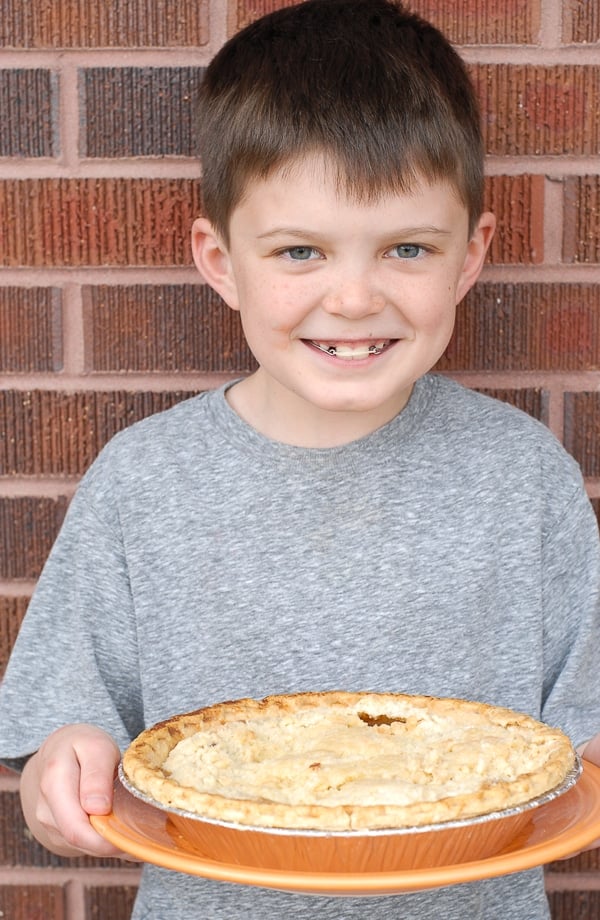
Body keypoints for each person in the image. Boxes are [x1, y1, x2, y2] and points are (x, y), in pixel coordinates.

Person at [1, 1, 599, 917]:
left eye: (407, 247)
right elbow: (62, 739)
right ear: (221, 260)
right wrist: (61, 767)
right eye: (299, 251)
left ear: (470, 256)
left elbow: (586, 746)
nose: (353, 297)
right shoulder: (145, 482)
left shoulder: (523, 477)